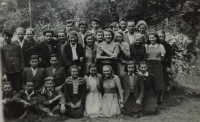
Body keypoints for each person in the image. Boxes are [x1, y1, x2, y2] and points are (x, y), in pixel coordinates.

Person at [145, 31, 166, 106]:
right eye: (150, 38)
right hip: (149, 65)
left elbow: (162, 58)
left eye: (153, 38)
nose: (152, 39)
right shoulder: (147, 46)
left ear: (156, 38)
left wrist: (156, 59)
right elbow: (145, 56)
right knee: (149, 81)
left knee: (157, 82)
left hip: (157, 65)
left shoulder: (160, 46)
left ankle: (156, 100)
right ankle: (149, 99)